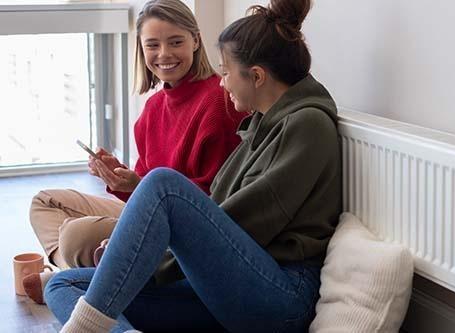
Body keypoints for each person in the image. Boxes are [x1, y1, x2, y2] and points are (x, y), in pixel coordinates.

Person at [45, 0, 341, 331]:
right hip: (227, 284)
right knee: (63, 284)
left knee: (161, 184)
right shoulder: (262, 124)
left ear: (256, 76)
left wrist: (150, 260)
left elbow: (245, 225)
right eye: (152, 44)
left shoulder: (308, 125)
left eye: (226, 73)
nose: (223, 82)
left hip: (280, 297)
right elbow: (218, 215)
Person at [24, 0, 247, 305]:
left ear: (196, 40)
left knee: (75, 235)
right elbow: (143, 190)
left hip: (180, 232)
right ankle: (72, 274)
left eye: (176, 42)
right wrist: (119, 177)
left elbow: (213, 204)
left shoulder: (218, 103)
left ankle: (73, 278)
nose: (164, 54)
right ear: (141, 49)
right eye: (152, 44)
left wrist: (137, 185)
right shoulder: (153, 109)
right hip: (148, 214)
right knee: (44, 203)